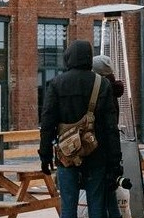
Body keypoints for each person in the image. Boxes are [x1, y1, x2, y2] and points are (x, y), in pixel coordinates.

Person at [39, 40, 122, 218]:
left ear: (68, 58)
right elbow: (111, 127)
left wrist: (45, 155)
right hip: (96, 154)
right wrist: (115, 162)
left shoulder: (56, 83)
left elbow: (47, 123)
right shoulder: (102, 84)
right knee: (96, 205)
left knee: (68, 207)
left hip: (67, 153)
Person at [91, 55, 125, 218]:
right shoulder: (112, 88)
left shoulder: (103, 91)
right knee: (109, 194)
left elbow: (107, 125)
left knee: (103, 195)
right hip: (109, 149)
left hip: (101, 148)